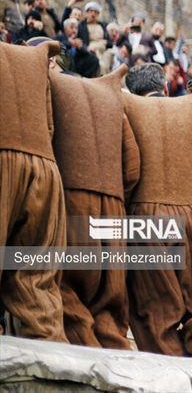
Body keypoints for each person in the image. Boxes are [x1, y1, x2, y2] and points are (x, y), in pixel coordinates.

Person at [122, 65, 192, 360]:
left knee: (155, 310)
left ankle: (169, 374)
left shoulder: (128, 110)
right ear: (165, 87)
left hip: (146, 219)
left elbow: (128, 170)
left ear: (133, 92)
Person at [50, 65, 140, 349]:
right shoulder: (113, 105)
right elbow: (132, 168)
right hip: (114, 207)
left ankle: (85, 360)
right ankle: (117, 364)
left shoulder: (53, 93)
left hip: (71, 201)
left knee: (64, 288)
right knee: (110, 302)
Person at [0, 39, 69, 342]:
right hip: (45, 168)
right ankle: (52, 356)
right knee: (37, 283)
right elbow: (50, 128)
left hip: (4, 161)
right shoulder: (35, 63)